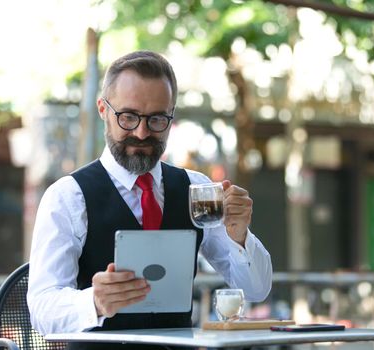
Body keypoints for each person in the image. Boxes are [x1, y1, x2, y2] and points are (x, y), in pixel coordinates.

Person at [27, 50, 272, 349]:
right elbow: (40, 310)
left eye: (157, 119)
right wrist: (93, 302)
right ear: (103, 109)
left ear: (171, 116)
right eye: (128, 117)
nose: (142, 133)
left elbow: (256, 290)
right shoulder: (67, 197)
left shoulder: (196, 189)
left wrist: (239, 236)